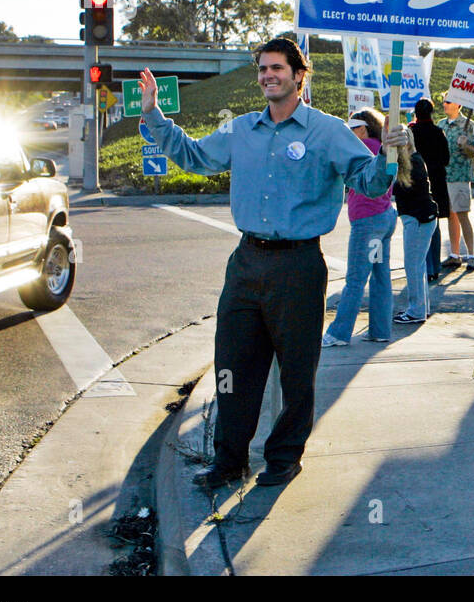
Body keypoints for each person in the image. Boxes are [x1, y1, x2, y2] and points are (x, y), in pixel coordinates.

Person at [139, 41, 407, 490]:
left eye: (277, 68)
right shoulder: (242, 129)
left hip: (299, 264)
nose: (268, 75)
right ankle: (229, 462)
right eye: (263, 68)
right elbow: (194, 157)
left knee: (297, 369)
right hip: (245, 263)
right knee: (232, 367)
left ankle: (284, 458)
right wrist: (154, 115)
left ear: (299, 75)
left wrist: (388, 157)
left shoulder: (327, 130)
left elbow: (367, 180)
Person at [322, 108, 397, 346]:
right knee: (380, 276)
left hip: (367, 221)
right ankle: (380, 330)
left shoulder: (361, 149)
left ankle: (339, 333)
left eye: (351, 128)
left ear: (362, 128)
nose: (348, 133)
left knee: (355, 279)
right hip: (384, 218)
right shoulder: (381, 147)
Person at [392, 126, 440, 324]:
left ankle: (416, 311)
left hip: (419, 218)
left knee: (413, 265)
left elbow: (406, 189)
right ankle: (420, 308)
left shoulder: (413, 162)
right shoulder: (412, 160)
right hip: (420, 218)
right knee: (417, 266)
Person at [410, 97, 449, 281]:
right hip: (437, 183)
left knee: (418, 227)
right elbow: (446, 159)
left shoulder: (411, 132)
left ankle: (424, 267)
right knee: (435, 225)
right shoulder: (438, 132)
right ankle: (435, 266)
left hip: (416, 183)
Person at [439, 96, 474, 270]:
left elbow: (473, 152)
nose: (444, 104)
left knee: (462, 214)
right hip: (443, 176)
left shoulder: (469, 125)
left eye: (448, 102)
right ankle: (455, 254)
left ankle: (471, 254)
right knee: (450, 215)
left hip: (460, 176)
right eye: (444, 101)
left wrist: (465, 146)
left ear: (458, 104)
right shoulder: (441, 125)